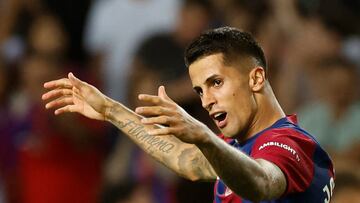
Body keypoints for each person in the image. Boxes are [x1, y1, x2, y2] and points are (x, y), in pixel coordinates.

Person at [42, 27, 335, 202]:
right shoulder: (240, 148)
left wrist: (205, 137)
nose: (207, 100)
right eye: (199, 91)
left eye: (216, 83)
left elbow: (262, 182)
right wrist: (111, 110)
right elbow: (189, 161)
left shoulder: (288, 144)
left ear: (256, 79)